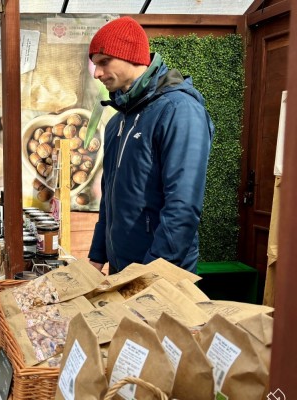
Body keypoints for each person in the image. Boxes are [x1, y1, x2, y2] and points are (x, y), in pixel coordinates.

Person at [87, 17, 214, 274]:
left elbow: (183, 206)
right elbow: (109, 197)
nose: (97, 73)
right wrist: (97, 255)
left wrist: (149, 273)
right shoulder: (117, 122)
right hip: (122, 271)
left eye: (104, 62)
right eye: (95, 64)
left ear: (131, 56)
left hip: (161, 274)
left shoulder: (179, 110)